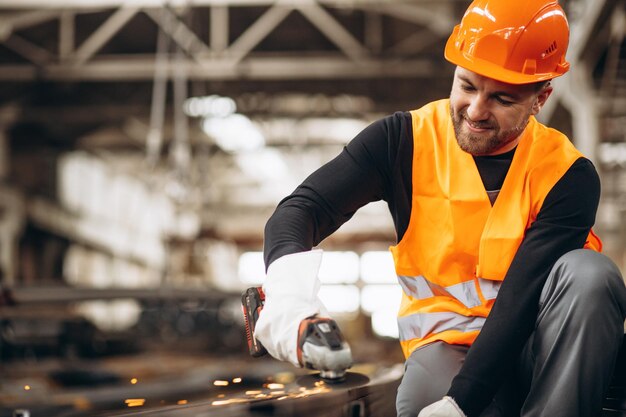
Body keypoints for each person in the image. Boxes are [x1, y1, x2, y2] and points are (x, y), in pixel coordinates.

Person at [254, 0, 626, 416]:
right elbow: (303, 209)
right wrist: (290, 299)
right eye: (467, 86)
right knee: (422, 403)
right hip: (448, 346)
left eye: (502, 98)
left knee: (591, 274)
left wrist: (461, 404)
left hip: (541, 348)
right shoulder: (402, 142)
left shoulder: (567, 174)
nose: (476, 111)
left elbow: (519, 304)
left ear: (541, 99)